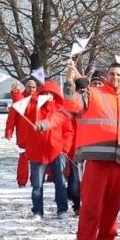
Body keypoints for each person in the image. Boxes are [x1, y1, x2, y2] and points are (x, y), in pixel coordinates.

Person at [65, 61, 120, 240]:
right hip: (96, 159)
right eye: (112, 74)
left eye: (119, 75)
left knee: (113, 206)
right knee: (91, 206)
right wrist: (70, 83)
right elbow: (72, 103)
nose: (115, 78)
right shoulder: (95, 94)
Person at [24, 81, 71, 219]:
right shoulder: (33, 108)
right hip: (37, 151)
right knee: (37, 185)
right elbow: (22, 104)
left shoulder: (61, 110)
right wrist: (16, 94)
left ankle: (62, 210)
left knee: (60, 183)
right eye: (44, 93)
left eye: (51, 93)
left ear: (55, 95)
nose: (48, 96)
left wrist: (64, 148)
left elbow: (68, 131)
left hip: (57, 151)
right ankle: (37, 211)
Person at [6, 79, 38, 187]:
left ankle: (36, 180)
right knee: (23, 159)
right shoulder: (20, 99)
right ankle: (22, 181)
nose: (31, 89)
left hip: (36, 135)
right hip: (23, 135)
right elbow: (12, 117)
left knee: (36, 159)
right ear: (25, 87)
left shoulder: (39, 99)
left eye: (33, 87)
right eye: (29, 87)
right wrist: (9, 131)